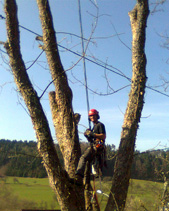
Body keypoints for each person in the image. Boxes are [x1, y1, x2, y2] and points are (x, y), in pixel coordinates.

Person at [75, 109, 106, 185]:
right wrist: (87, 136)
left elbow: (103, 136)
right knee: (87, 164)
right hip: (94, 146)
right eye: (91, 116)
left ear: (96, 116)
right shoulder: (93, 127)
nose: (92, 117)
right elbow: (91, 140)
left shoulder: (100, 125)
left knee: (83, 158)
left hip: (97, 146)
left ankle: (78, 175)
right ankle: (86, 184)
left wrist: (92, 134)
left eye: (93, 115)